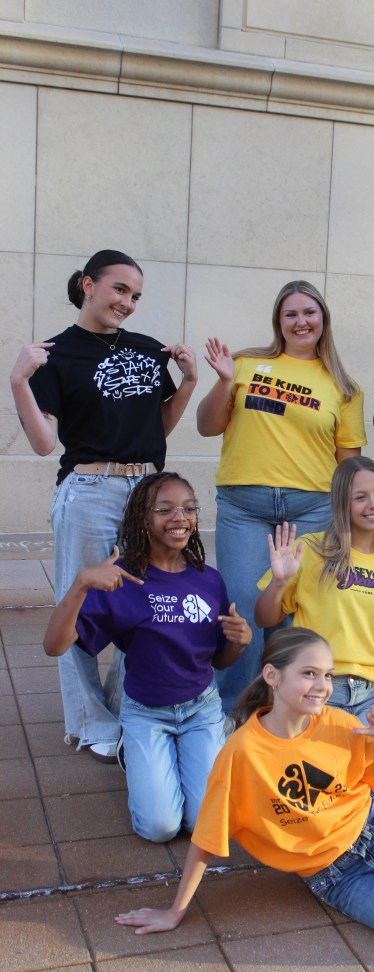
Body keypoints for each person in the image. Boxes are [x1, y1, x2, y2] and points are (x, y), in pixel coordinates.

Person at [114, 628, 374, 958]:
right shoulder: (241, 754)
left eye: (327, 675)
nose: (322, 686)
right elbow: (205, 840)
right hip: (338, 874)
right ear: (272, 676)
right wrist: (175, 910)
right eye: (309, 673)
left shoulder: (338, 722)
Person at [10, 249, 198, 761]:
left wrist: (188, 382)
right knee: (81, 603)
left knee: (146, 600)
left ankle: (120, 706)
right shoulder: (56, 355)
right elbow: (44, 443)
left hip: (147, 490)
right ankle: (91, 722)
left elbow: (158, 427)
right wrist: (19, 381)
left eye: (135, 296)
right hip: (90, 490)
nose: (128, 302)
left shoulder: (146, 349)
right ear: (88, 285)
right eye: (119, 289)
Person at [43, 472, 252, 842]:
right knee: (160, 828)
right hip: (146, 713)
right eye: (165, 509)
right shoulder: (122, 579)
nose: (180, 517)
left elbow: (219, 661)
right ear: (143, 518)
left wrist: (239, 642)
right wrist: (81, 584)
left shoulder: (208, 580)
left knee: (203, 821)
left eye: (189, 508)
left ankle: (189, 748)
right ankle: (135, 748)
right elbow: (54, 646)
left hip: (200, 710)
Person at [196, 280, 366, 712]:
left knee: (290, 610)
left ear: (323, 319)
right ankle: (234, 709)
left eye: (309, 312)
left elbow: (349, 467)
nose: (300, 321)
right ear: (279, 321)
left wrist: (354, 527)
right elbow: (207, 426)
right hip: (243, 506)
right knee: (243, 607)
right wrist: (225, 382)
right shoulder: (245, 364)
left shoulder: (344, 387)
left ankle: (286, 708)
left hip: (311, 509)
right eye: (291, 314)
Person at [254, 456, 374, 812]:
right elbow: (264, 618)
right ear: (342, 503)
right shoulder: (312, 549)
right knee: (319, 801)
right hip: (318, 694)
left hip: (372, 697)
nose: (373, 504)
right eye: (360, 497)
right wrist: (279, 582)